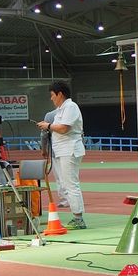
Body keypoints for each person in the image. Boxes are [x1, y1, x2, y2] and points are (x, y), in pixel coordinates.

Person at [36, 81, 87, 229]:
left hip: (69, 149)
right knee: (66, 184)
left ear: (60, 94)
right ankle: (77, 216)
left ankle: (78, 218)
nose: (51, 98)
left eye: (52, 95)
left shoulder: (71, 107)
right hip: (62, 151)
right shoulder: (61, 110)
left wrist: (48, 126)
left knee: (71, 184)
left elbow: (64, 128)